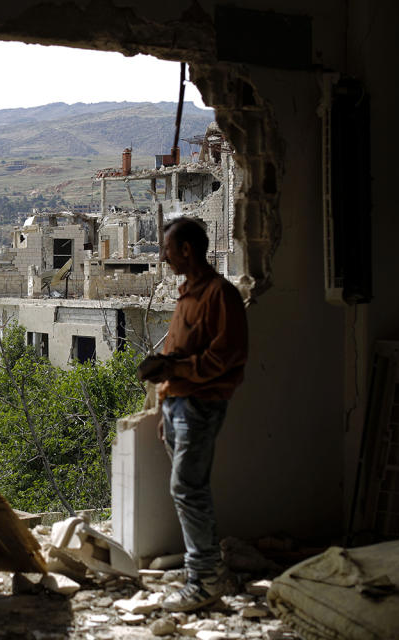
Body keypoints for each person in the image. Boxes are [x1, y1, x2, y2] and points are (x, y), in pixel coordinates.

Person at [137, 216, 248, 612]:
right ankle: (211, 570)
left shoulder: (221, 296)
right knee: (191, 489)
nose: (164, 257)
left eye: (167, 249)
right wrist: (166, 387)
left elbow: (225, 357)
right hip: (181, 405)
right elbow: (183, 353)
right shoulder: (189, 296)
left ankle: (203, 580)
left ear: (186, 250)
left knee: (187, 489)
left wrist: (175, 370)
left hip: (201, 405)